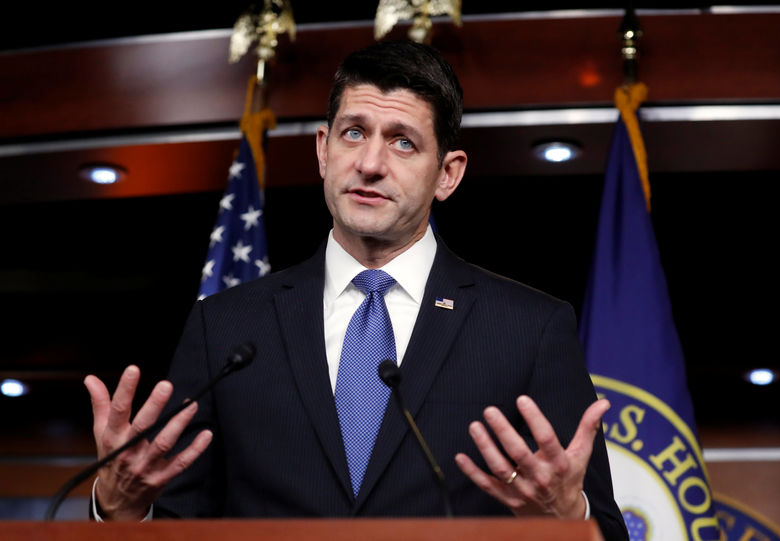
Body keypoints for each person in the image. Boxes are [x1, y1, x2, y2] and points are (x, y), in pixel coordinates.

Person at [83, 40, 628, 540]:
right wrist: (121, 510)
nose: (369, 164)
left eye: (403, 142)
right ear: (323, 149)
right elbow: (178, 523)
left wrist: (565, 520)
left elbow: (603, 528)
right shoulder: (225, 326)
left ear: (448, 174)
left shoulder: (528, 328)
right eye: (353, 133)